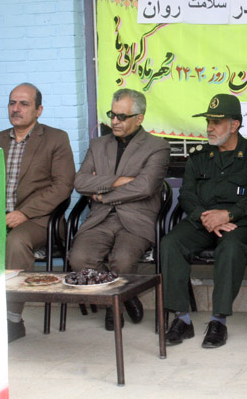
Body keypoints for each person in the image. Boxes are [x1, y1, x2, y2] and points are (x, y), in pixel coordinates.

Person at [161, 94, 247, 349]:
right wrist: (207, 217)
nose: (210, 127)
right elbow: (187, 194)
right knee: (170, 244)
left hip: (239, 223)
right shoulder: (199, 155)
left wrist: (228, 215)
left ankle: (218, 321)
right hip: (202, 220)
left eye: (216, 122)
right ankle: (182, 319)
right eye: (208, 121)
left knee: (231, 248)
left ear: (234, 125)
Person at [69, 88, 170, 331]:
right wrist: (118, 181)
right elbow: (80, 182)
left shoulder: (157, 147)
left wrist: (103, 194)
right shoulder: (98, 145)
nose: (114, 121)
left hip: (136, 219)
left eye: (122, 117)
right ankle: (126, 296)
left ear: (139, 118)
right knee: (79, 259)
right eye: (112, 115)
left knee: (123, 261)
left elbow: (145, 186)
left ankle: (113, 307)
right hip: (100, 219)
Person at [0, 83, 75, 342]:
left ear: (39, 110)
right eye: (12, 103)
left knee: (15, 241)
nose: (16, 108)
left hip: (40, 219)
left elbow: (63, 186)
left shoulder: (56, 139)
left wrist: (24, 213)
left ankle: (12, 319)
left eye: (24, 104)